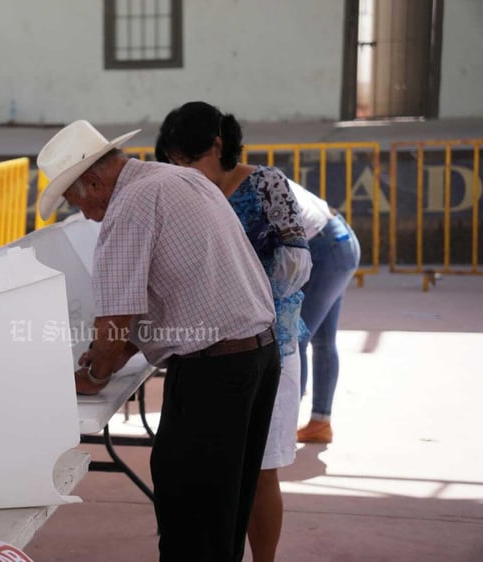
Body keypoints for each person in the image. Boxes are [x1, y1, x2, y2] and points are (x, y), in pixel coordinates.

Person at [37, 120, 280, 561]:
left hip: (216, 371)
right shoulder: (177, 177)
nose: (87, 215)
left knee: (190, 512)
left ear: (92, 180)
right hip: (257, 357)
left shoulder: (128, 207)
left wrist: (93, 373)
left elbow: (115, 319)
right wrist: (115, 351)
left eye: (77, 203)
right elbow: (171, 300)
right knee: (224, 509)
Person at [156, 101, 313, 562]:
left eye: (186, 160)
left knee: (261, 470)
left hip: (271, 346)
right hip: (211, 353)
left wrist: (240, 292)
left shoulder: (267, 184)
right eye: (173, 164)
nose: (181, 171)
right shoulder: (183, 193)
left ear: (218, 146)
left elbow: (296, 263)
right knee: (219, 473)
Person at [294, 182, 361, 444]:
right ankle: (319, 422)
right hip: (338, 242)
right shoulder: (249, 177)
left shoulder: (239, 190)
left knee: (294, 337)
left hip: (328, 248)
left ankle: (282, 429)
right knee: (321, 340)